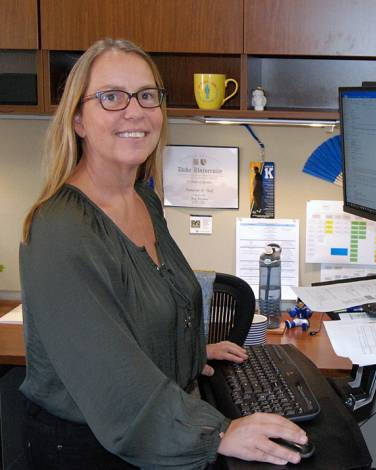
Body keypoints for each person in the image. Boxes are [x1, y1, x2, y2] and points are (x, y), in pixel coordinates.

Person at [19, 38, 307, 469]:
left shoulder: (142, 201)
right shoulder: (61, 228)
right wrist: (221, 432)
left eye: (147, 95)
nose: (134, 111)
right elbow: (109, 374)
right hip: (92, 447)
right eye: (111, 97)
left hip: (145, 430)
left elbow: (149, 307)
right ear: (78, 118)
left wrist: (189, 349)